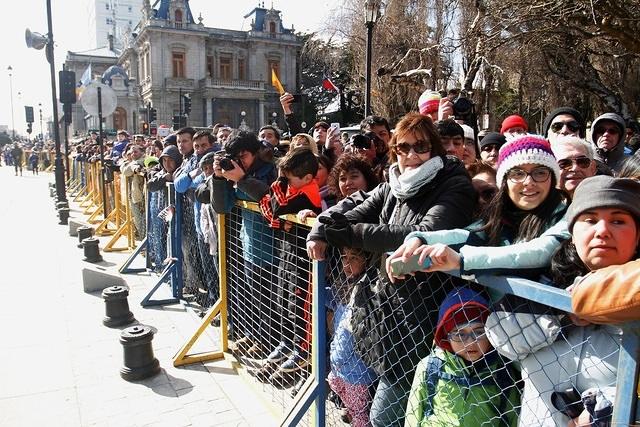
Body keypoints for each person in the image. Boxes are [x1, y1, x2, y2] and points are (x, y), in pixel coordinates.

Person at [307, 112, 476, 426]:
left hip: (430, 317)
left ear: (434, 150)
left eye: (420, 147)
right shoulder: (393, 183)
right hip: (388, 311)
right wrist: (320, 227)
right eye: (403, 148)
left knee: (387, 416)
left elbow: (420, 232)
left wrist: (348, 234)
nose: (411, 156)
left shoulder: (455, 184)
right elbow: (350, 210)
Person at [486, 175, 640, 426]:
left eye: (618, 221)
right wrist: (561, 314)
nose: (602, 231)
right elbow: (500, 337)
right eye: (590, 220)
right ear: (572, 232)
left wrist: (607, 407)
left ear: (637, 237)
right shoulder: (543, 280)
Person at [387, 134, 568, 290]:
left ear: (552, 179)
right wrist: (420, 239)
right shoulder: (498, 216)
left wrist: (462, 260)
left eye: (540, 172)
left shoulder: (567, 216)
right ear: (504, 182)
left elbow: (538, 252)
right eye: (518, 173)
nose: (529, 182)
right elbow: (467, 234)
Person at [404, 287, 520, 427]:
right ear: (446, 337)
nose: (470, 342)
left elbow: (512, 418)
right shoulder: (429, 366)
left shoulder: (501, 372)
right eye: (460, 334)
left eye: (478, 332)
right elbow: (413, 416)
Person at [209, 130, 277, 357]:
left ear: (256, 152)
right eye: (236, 157)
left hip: (273, 249)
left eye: (244, 156)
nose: (240, 162)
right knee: (254, 298)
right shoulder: (234, 172)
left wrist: (242, 179)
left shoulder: (272, 169)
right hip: (248, 246)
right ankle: (259, 335)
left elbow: (271, 198)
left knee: (271, 302)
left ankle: (270, 341)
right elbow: (222, 207)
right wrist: (219, 179)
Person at [257, 147, 322, 374]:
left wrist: (276, 187)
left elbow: (275, 210)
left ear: (307, 178)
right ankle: (287, 342)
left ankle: (302, 348)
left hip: (303, 259)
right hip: (287, 253)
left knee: (299, 303)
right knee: (281, 297)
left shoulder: (308, 193)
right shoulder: (293, 189)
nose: (284, 181)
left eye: (288, 177)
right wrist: (278, 216)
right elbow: (275, 216)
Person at [328, 248, 378, 427]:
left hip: (356, 369)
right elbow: (333, 299)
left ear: (366, 260)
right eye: (344, 257)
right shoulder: (345, 283)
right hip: (344, 365)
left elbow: (346, 335)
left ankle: (360, 421)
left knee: (359, 412)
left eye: (354, 258)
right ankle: (350, 407)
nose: (347, 263)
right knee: (334, 381)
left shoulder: (362, 290)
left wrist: (336, 358)